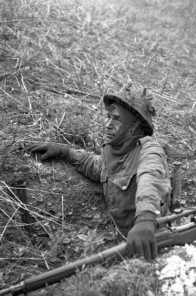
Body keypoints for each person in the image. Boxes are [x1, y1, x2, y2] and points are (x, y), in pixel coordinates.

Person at [30, 86, 171, 261]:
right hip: (125, 237)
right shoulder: (113, 150)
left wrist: (145, 218)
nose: (108, 125)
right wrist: (65, 152)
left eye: (117, 119)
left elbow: (150, 179)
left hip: (151, 239)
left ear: (134, 128)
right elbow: (98, 167)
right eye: (108, 117)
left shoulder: (149, 151)